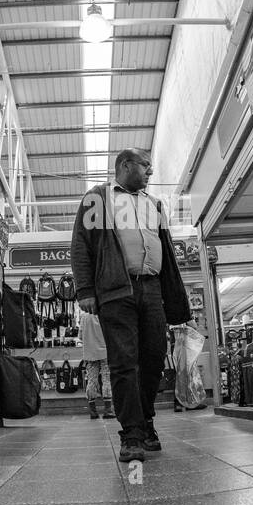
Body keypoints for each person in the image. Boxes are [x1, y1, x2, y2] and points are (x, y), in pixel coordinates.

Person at [71, 149, 192, 462]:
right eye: (146, 166)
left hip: (152, 289)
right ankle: (132, 435)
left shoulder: (155, 204)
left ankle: (146, 419)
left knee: (153, 359)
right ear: (125, 166)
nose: (150, 172)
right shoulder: (97, 198)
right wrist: (85, 289)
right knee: (124, 362)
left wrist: (174, 295)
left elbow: (165, 248)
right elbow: (80, 245)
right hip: (115, 290)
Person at [79, 309, 113, 420]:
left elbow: (80, 336)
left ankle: (93, 411)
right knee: (106, 378)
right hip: (105, 351)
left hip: (90, 352)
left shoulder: (83, 316)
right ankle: (108, 410)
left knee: (91, 380)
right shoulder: (104, 313)